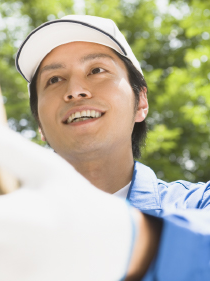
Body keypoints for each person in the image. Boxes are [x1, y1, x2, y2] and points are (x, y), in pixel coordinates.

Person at [15, 15, 210, 280]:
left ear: (141, 102)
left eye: (96, 70)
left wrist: (138, 244)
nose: (75, 90)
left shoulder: (198, 204)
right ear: (39, 125)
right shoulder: (8, 225)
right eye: (54, 79)